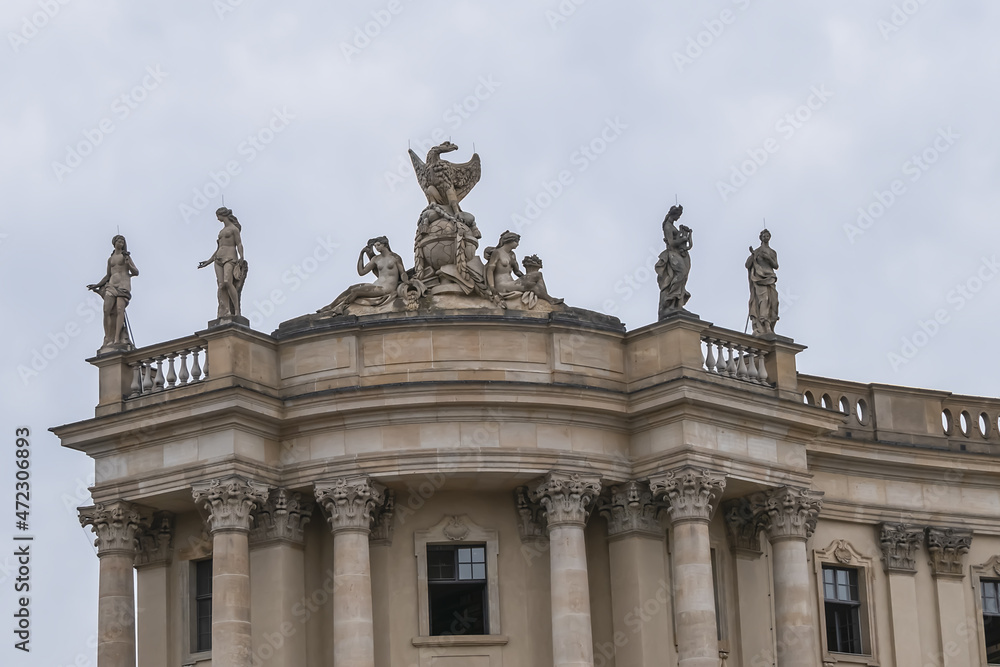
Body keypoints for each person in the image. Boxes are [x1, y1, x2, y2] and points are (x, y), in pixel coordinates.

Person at [319, 236, 410, 315]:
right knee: (351, 288)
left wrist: (407, 282)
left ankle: (340, 307)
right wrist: (361, 254)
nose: (376, 248)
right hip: (376, 285)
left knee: (356, 292)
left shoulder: (395, 257)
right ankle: (330, 306)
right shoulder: (376, 259)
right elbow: (361, 272)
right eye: (375, 246)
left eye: (378, 245)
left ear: (385, 244)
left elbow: (402, 273)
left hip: (386, 288)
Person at [88, 234, 139, 349]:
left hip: (123, 285)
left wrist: (128, 263)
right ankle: (108, 338)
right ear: (114, 243)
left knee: (120, 310)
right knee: (107, 311)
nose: (120, 243)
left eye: (122, 241)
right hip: (111, 286)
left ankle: (117, 338)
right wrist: (97, 285)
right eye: (119, 241)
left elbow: (136, 272)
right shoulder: (110, 259)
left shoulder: (126, 257)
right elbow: (108, 275)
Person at [198, 207, 247, 319]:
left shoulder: (234, 229)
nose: (217, 218)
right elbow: (218, 249)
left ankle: (237, 311)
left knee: (227, 282)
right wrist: (207, 262)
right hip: (218, 259)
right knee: (221, 286)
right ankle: (225, 311)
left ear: (222, 215)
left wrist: (241, 256)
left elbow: (239, 243)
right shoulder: (221, 232)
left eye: (218, 216)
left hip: (230, 258)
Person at [655, 205, 693, 317]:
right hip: (672, 254)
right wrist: (683, 238)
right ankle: (669, 300)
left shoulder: (672, 226)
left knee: (684, 276)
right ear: (674, 214)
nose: (679, 218)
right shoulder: (668, 226)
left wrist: (686, 235)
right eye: (678, 215)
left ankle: (677, 304)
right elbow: (671, 243)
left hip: (679, 254)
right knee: (680, 274)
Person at [746, 229, 779, 335]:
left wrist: (768, 258)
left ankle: (771, 324)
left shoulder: (772, 252)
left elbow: (776, 265)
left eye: (768, 236)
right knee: (764, 300)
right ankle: (765, 325)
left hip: (770, 278)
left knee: (774, 302)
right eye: (764, 236)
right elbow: (747, 265)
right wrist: (752, 256)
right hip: (759, 279)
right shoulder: (757, 251)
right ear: (761, 238)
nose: (766, 238)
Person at [483, 230, 525, 296]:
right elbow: (490, 270)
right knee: (531, 283)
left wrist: (526, 277)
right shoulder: (497, 252)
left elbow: (517, 272)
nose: (518, 244)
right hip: (501, 285)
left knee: (534, 280)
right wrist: (492, 287)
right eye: (516, 242)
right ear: (509, 240)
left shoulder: (512, 254)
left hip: (511, 283)